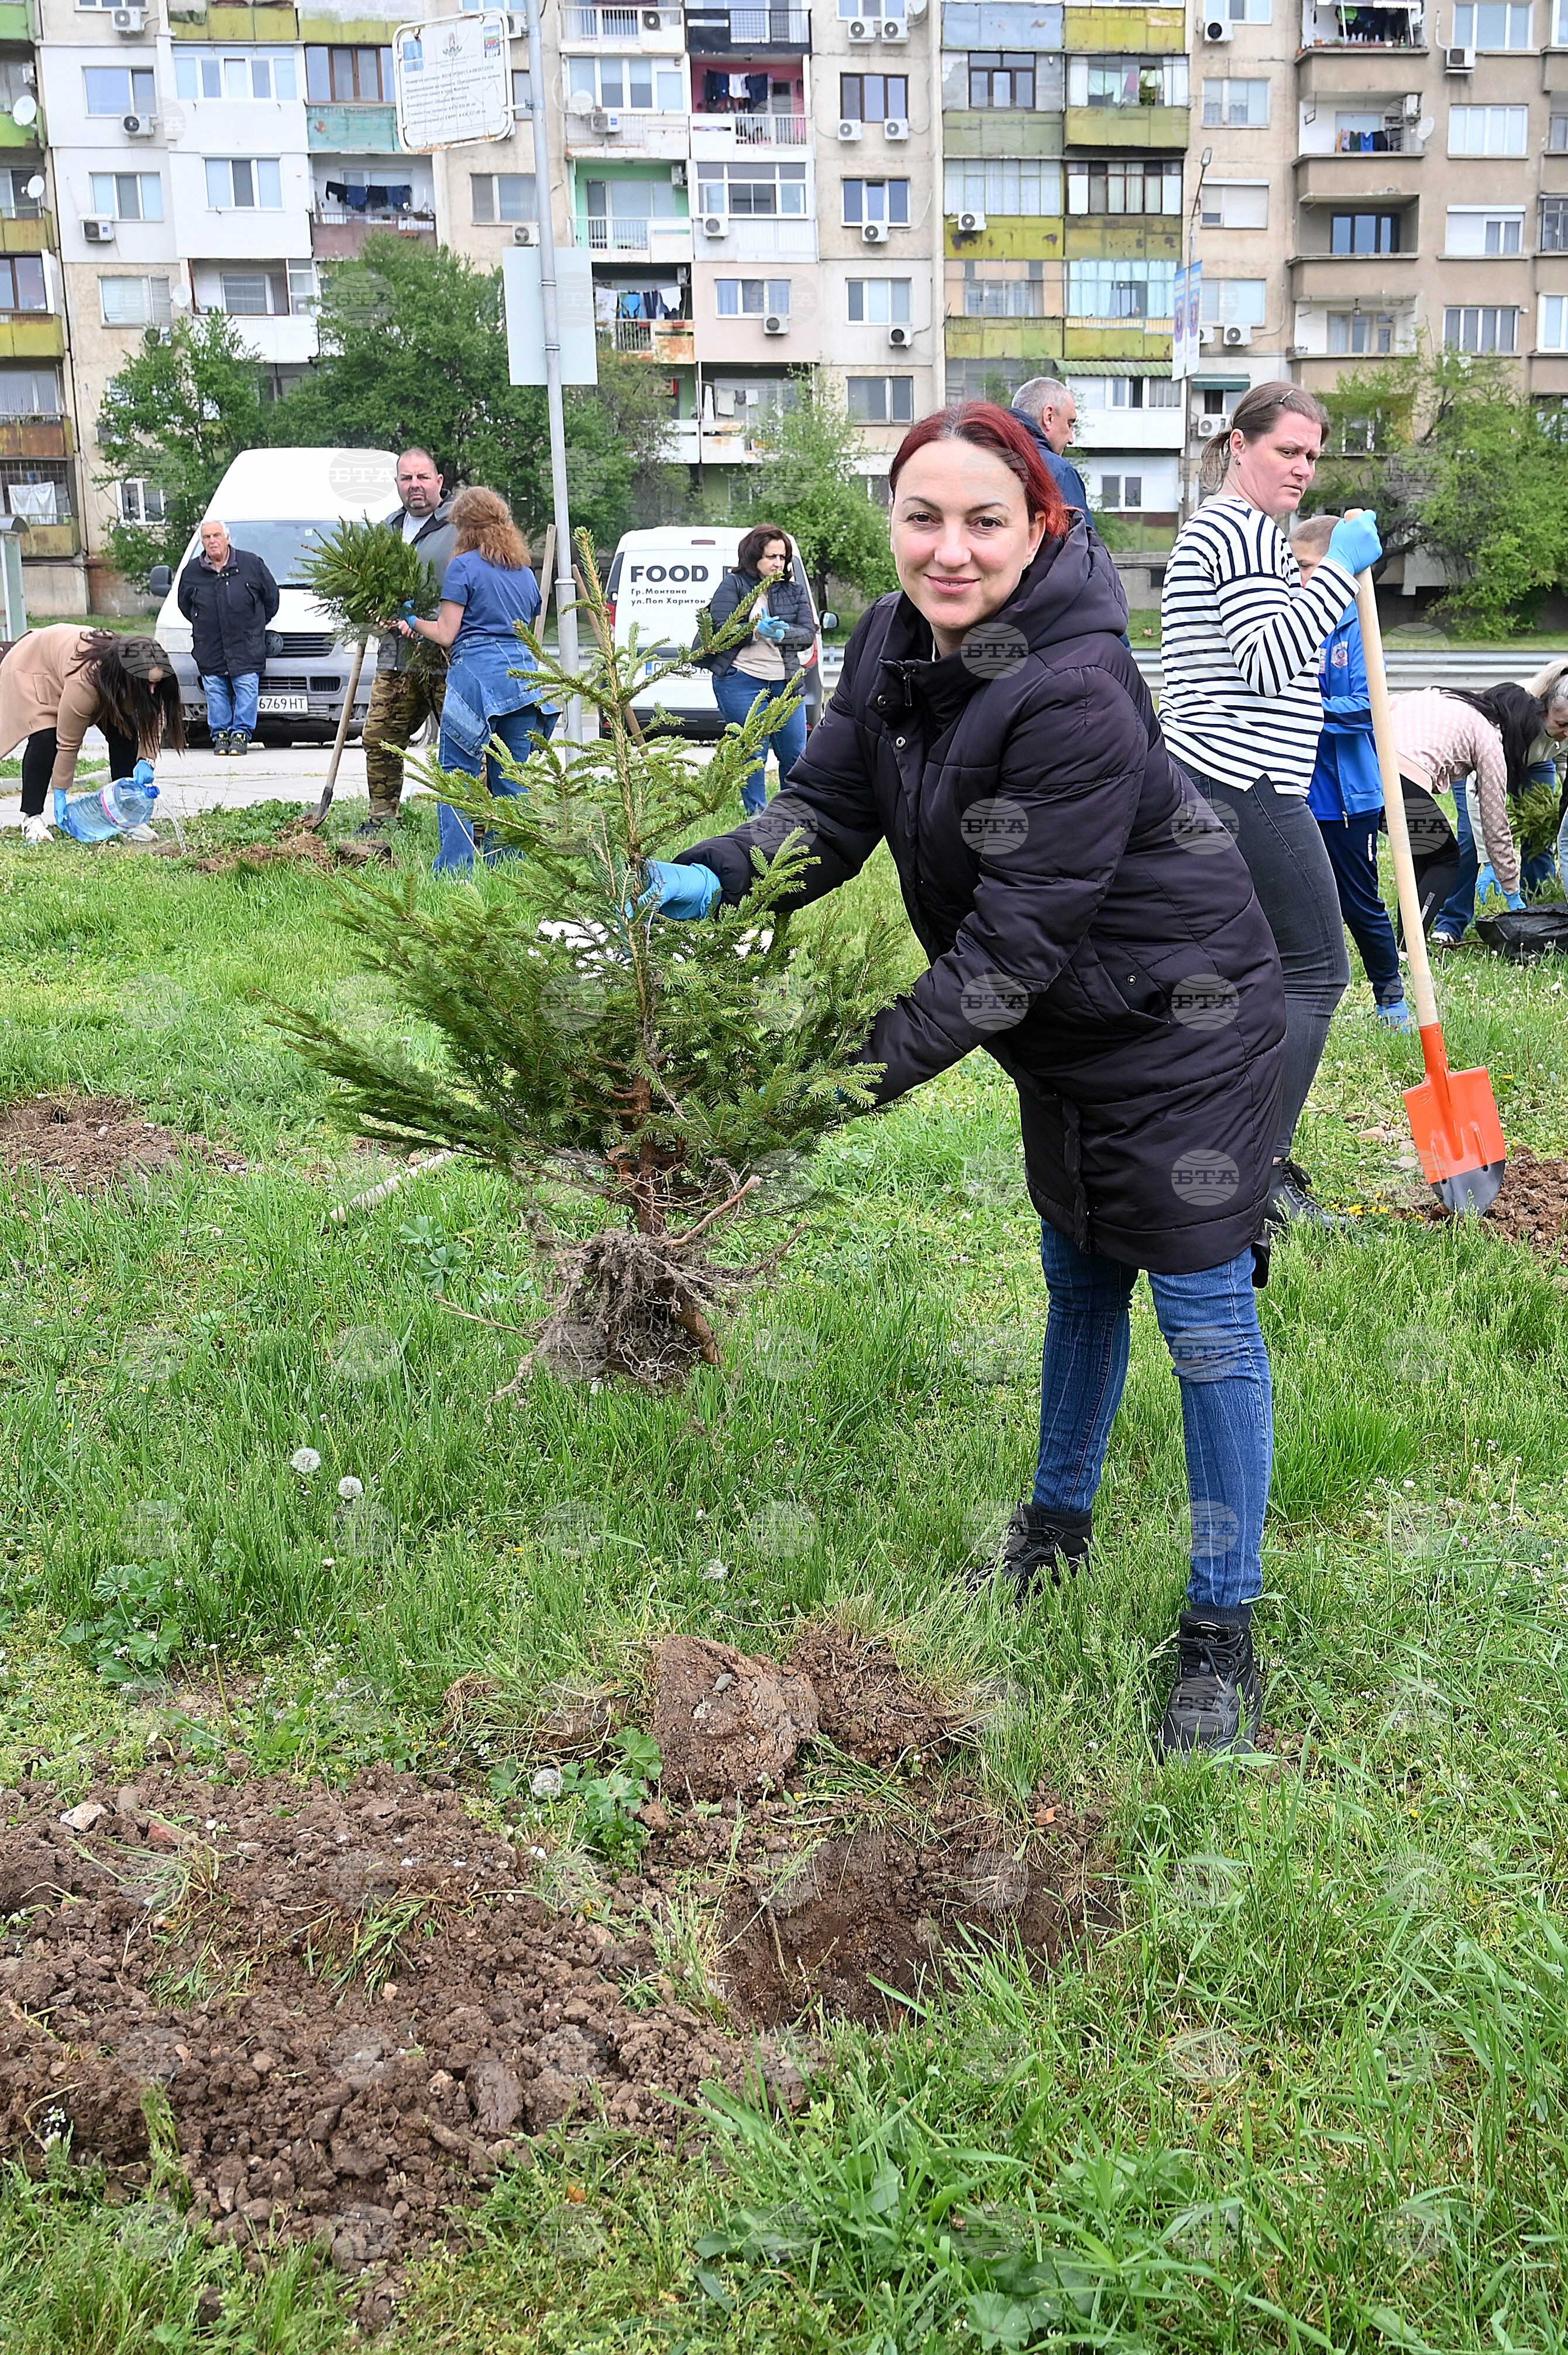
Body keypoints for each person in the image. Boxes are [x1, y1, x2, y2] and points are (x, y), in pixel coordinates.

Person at [642, 401, 1290, 1758]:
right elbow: (825, 810)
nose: (948, 550)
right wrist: (723, 864)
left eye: (983, 521)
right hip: (1062, 1032)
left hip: (1178, 1020)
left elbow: (1002, 954)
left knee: (1199, 1309)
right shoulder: (886, 637)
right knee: (1075, 1275)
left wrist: (823, 1085)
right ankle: (1052, 1530)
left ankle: (1221, 1630)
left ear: (1038, 525)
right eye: (920, 517)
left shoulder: (1069, 685)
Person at [1160, 382, 1380, 1230]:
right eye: (1288, 450)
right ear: (1239, 446)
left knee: (1253, 978)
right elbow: (1262, 659)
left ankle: (1228, 1150)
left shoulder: (1231, 532)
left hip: (1221, 778)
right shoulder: (1242, 531)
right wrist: (1339, 573)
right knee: (1319, 969)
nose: (1302, 469)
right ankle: (1262, 1174)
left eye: (1313, 456)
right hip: (1244, 781)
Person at [393, 485, 556, 876]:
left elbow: (448, 633)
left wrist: (413, 621)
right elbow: (526, 620)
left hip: (477, 681)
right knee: (512, 778)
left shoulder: (463, 566)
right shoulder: (522, 571)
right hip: (522, 680)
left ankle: (455, 869)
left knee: (458, 778)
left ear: (463, 528)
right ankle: (509, 867)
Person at [1290, 514, 1409, 1029]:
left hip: (1346, 800)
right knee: (1288, 903)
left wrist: (1305, 707)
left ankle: (1392, 999)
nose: (1296, 579)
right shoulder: (1293, 620)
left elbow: (1367, 706)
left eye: (1304, 567)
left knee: (1359, 904)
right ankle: (1298, 1002)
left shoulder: (1356, 624)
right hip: (1291, 792)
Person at [0, 626, 184, 846]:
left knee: (125, 730)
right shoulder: (85, 682)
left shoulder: (137, 665)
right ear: (129, 677)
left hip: (78, 668)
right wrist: (61, 793)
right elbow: (68, 743)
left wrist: (147, 760)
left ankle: (124, 817)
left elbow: (152, 717)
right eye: (149, 683)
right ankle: (32, 817)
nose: (153, 690)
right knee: (45, 736)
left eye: (158, 683)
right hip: (33, 666)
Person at [360, 447, 458, 839]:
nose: (414, 486)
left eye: (422, 477)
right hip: (397, 657)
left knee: (463, 742)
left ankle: (476, 825)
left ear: (439, 482)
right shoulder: (387, 529)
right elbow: (368, 586)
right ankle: (383, 818)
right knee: (379, 737)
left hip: (450, 658)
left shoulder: (459, 526)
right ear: (397, 484)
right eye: (406, 478)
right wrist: (377, 612)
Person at [1387, 684, 1537, 938]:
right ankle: (1411, 944)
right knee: (1445, 859)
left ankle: (1404, 945)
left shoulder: (1444, 696)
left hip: (1367, 772)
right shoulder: (1489, 737)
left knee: (1422, 857)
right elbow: (1495, 821)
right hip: (1402, 777)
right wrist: (1511, 887)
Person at [695, 526, 816, 816]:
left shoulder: (793, 590)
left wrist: (783, 633)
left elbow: (808, 634)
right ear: (753, 557)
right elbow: (719, 634)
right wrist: (754, 630)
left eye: (783, 557)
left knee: (796, 752)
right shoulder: (733, 585)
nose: (778, 563)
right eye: (771, 557)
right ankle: (757, 814)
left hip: (785, 683)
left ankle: (792, 814)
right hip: (741, 680)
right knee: (753, 750)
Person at [176, 516, 279, 758]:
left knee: (246, 688)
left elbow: (271, 599)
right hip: (210, 644)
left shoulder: (251, 564)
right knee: (215, 690)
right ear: (203, 542)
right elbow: (185, 606)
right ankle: (221, 734)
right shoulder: (192, 572)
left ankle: (241, 734)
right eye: (207, 537)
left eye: (217, 536)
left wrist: (255, 626)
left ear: (227, 538)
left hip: (246, 644)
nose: (212, 541)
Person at [1010, 377, 1092, 528]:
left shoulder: (987, 457)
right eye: (1070, 423)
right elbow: (1085, 546)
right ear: (1049, 417)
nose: (1071, 439)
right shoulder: (1058, 471)